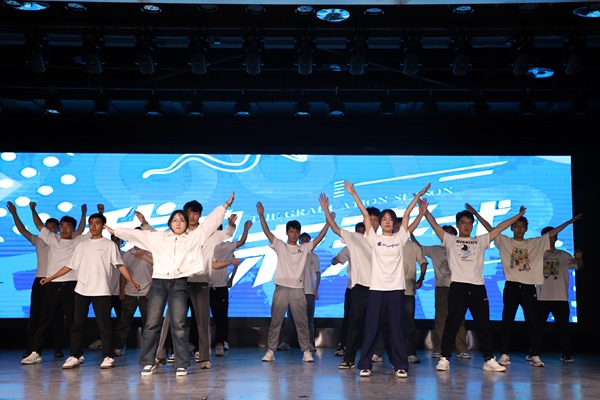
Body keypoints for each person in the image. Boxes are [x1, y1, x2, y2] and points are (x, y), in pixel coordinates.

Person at [104, 191, 235, 377]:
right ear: (170, 223)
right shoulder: (159, 238)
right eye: (175, 220)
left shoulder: (193, 238)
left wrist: (225, 206)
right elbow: (139, 235)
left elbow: (209, 224)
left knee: (179, 325)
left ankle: (181, 363)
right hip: (159, 283)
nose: (179, 222)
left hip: (180, 283)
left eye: (182, 220)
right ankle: (148, 362)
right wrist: (116, 231)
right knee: (152, 323)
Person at [327, 181, 429, 379]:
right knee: (372, 328)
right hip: (376, 290)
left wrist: (418, 197)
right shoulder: (374, 239)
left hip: (396, 290)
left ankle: (400, 365)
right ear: (380, 223)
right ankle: (365, 364)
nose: (387, 221)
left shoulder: (400, 238)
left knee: (396, 328)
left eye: (391, 219)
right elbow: (366, 216)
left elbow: (407, 216)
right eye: (384, 219)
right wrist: (353, 193)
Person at [465, 203, 583, 368]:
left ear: (526, 229)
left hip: (529, 287)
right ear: (512, 228)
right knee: (507, 321)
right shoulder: (504, 241)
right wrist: (476, 214)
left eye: (522, 226)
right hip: (512, 286)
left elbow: (551, 233)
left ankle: (534, 354)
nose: (519, 229)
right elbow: (491, 229)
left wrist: (569, 222)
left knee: (533, 323)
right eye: (516, 226)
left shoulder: (533, 243)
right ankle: (504, 354)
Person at [423, 200, 527, 373]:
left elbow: (500, 228)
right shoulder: (450, 240)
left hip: (478, 287)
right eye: (463, 223)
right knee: (452, 323)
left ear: (473, 225)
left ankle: (488, 359)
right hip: (458, 286)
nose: (466, 226)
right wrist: (425, 211)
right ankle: (444, 358)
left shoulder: (480, 240)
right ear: (458, 225)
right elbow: (434, 224)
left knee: (483, 324)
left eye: (469, 223)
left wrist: (518, 215)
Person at [39, 212, 140, 369]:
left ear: (103, 226)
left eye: (97, 223)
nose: (93, 226)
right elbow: (70, 266)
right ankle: (75, 355)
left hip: (101, 290)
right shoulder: (81, 245)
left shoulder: (109, 245)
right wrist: (50, 278)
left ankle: (108, 356)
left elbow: (120, 265)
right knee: (77, 324)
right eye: (91, 223)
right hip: (82, 290)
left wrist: (132, 282)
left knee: (104, 325)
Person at [7, 201, 86, 360]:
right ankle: (34, 350)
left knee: (68, 319)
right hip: (45, 282)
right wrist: (26, 211)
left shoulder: (73, 241)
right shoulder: (44, 240)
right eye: (48, 227)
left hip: (67, 283)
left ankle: (70, 351)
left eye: (55, 227)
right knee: (41, 317)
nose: (51, 229)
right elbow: (31, 227)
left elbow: (81, 230)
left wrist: (84, 214)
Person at [257, 200, 331, 363]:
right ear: (287, 232)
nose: (294, 234)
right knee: (276, 321)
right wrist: (261, 215)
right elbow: (267, 232)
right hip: (281, 288)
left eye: (297, 232)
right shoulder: (280, 246)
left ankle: (306, 351)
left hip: (298, 289)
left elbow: (319, 238)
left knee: (302, 322)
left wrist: (328, 221)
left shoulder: (304, 248)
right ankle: (270, 351)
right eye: (291, 231)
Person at [323, 205, 380, 371]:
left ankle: (369, 361)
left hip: (378, 288)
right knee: (354, 325)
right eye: (370, 219)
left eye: (376, 220)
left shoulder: (383, 240)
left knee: (375, 326)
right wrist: (326, 210)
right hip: (359, 288)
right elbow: (335, 229)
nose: (373, 223)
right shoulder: (355, 238)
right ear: (364, 220)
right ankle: (348, 359)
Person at [372, 219, 428, 365]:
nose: (396, 228)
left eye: (399, 226)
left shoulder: (412, 245)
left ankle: (410, 352)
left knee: (408, 323)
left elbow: (423, 262)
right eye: (395, 226)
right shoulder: (384, 243)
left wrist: (421, 278)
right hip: (389, 288)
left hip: (408, 290)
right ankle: (378, 352)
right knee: (384, 322)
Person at [410, 226, 471, 360]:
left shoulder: (461, 248)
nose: (447, 236)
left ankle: (461, 349)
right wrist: (411, 233)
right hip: (441, 287)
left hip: (458, 286)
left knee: (459, 319)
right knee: (441, 319)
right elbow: (418, 247)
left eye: (450, 233)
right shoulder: (435, 249)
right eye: (444, 233)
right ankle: (439, 348)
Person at [537, 226, 584, 363]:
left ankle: (566, 354)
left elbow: (579, 267)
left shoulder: (564, 255)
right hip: (541, 297)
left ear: (556, 238)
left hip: (561, 298)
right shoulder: (536, 255)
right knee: (537, 328)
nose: (550, 239)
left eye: (553, 236)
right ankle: (533, 353)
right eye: (547, 237)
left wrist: (579, 259)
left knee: (563, 329)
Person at [210, 219, 252, 356]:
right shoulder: (205, 246)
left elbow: (241, 242)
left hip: (221, 287)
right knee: (203, 317)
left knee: (221, 317)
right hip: (205, 286)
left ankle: (221, 342)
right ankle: (199, 345)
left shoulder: (226, 246)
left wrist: (246, 230)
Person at [277, 232, 321, 352]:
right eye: (303, 240)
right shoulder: (295, 254)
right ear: (299, 242)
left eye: (307, 240)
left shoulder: (314, 257)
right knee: (291, 318)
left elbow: (318, 274)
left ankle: (309, 343)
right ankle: (285, 342)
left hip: (309, 292)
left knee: (309, 319)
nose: (305, 242)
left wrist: (316, 289)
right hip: (296, 290)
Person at [113, 228, 154, 356]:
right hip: (129, 292)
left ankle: (148, 349)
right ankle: (119, 346)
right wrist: (121, 290)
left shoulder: (150, 253)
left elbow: (155, 273)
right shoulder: (127, 254)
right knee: (124, 321)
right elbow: (123, 273)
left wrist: (152, 290)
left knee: (148, 322)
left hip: (146, 292)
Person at [330, 224, 363, 358]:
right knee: (349, 318)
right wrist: (335, 259)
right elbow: (334, 261)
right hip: (352, 288)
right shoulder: (350, 247)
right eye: (358, 233)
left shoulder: (373, 245)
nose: (360, 236)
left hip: (370, 288)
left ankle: (372, 350)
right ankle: (343, 345)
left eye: (363, 233)